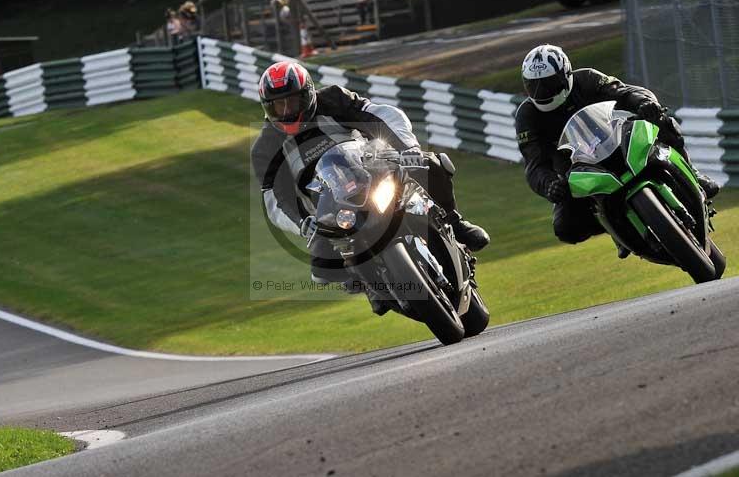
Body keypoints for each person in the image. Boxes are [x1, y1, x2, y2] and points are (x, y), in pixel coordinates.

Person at [251, 61, 489, 313]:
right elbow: (275, 199)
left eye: (293, 102)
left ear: (308, 95)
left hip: (371, 166)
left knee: (431, 164)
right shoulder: (265, 148)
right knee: (322, 268)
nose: (287, 110)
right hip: (330, 202)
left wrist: (407, 149)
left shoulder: (332, 99)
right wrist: (302, 222)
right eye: (279, 105)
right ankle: (370, 284)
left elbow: (382, 114)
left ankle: (454, 222)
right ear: (268, 108)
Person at [515, 44, 719, 250]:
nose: (542, 91)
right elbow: (534, 165)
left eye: (548, 83)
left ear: (565, 74)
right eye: (534, 85)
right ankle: (613, 226)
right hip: (576, 169)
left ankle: (692, 173)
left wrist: (644, 103)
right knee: (565, 228)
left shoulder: (587, 78)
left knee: (662, 121)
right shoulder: (527, 116)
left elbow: (625, 92)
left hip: (616, 139)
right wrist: (549, 185)